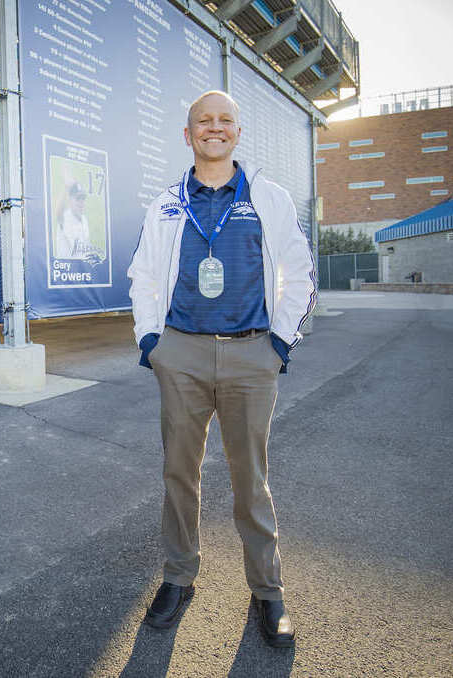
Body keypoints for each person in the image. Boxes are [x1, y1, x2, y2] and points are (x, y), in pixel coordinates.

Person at [126, 90, 316, 647]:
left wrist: (278, 343)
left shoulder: (269, 198)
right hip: (180, 353)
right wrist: (151, 342)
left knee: (249, 479)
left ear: (237, 132)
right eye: (203, 122)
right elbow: (143, 276)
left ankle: (267, 590)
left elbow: (300, 273)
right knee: (178, 474)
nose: (214, 128)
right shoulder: (166, 202)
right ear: (188, 135)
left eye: (224, 120)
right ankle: (178, 576)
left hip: (251, 352)